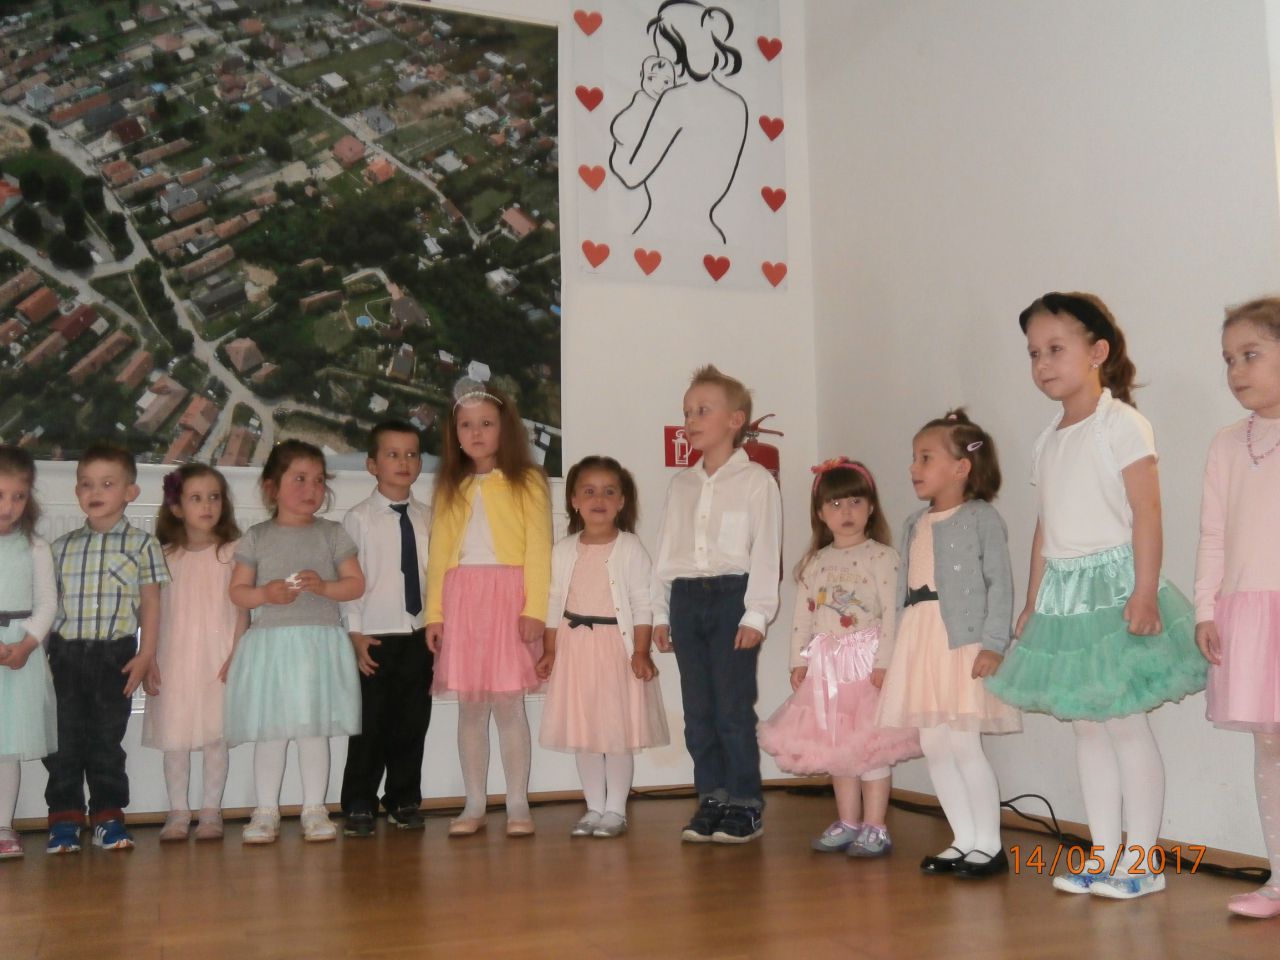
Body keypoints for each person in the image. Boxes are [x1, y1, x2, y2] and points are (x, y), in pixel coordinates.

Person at [989, 293, 1205, 899]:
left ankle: (1143, 860)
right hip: (1065, 596)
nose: (1042, 363)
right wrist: (1033, 600)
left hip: (1114, 588)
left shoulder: (1122, 424)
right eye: (1033, 353)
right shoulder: (1048, 440)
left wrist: (1144, 591)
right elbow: (1045, 527)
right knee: (1087, 726)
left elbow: (1147, 511)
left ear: (1097, 351)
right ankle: (1105, 852)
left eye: (1055, 349)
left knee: (1126, 723)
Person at [876, 411, 1021, 878]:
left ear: (961, 467)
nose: (913, 467)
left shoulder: (981, 518)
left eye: (925, 457)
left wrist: (994, 644)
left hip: (960, 641)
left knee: (963, 743)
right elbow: (901, 594)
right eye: (913, 458)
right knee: (934, 744)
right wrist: (889, 654)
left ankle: (989, 845)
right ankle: (963, 838)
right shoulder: (914, 522)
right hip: (920, 639)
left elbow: (1000, 584)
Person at [758, 457, 920, 857]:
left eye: (855, 502)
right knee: (838, 749)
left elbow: (892, 614)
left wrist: (885, 663)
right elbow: (804, 616)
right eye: (835, 504)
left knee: (871, 747)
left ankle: (875, 826)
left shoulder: (882, 557)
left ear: (871, 507)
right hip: (827, 667)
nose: (846, 512)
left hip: (866, 664)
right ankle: (848, 821)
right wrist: (799, 660)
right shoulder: (815, 562)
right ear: (820, 513)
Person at [652, 364, 782, 843]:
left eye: (703, 410)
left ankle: (745, 803)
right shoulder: (681, 485)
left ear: (735, 419)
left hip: (732, 599)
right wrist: (661, 611)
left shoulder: (755, 481)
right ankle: (712, 797)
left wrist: (757, 614)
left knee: (732, 709)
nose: (691, 419)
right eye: (687, 412)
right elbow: (667, 552)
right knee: (698, 712)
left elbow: (766, 551)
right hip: (686, 601)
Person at [425, 379, 552, 838]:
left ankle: (517, 802)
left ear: (505, 428)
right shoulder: (450, 485)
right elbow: (439, 553)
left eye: (486, 423)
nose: (476, 433)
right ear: (455, 433)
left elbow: (539, 548)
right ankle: (474, 802)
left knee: (508, 704)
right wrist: (434, 614)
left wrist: (535, 608)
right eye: (466, 425)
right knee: (471, 708)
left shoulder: (528, 481)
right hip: (462, 601)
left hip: (508, 600)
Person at [225, 440, 365, 844]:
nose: (311, 489)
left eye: (319, 480)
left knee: (312, 729)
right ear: (272, 487)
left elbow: (355, 584)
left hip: (318, 646)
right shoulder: (257, 536)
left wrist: (324, 587)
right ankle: (265, 810)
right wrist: (264, 594)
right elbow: (238, 592)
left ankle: (314, 808)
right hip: (272, 648)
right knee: (272, 731)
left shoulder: (331, 533)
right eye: (300, 479)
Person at [1195, 297, 1280, 919]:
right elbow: (1213, 533)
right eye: (1228, 359)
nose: (1236, 371)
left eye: (1250, 354)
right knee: (1269, 745)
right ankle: (1279, 878)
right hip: (1250, 614)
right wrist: (1206, 608)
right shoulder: (1228, 443)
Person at [44, 443, 169, 853]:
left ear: (130, 492)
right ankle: (64, 818)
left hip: (115, 656)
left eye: (107, 484)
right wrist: (39, 657)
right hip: (64, 655)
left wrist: (146, 654)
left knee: (105, 740)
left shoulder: (142, 545)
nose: (94, 492)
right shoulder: (60, 547)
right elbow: (49, 606)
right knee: (62, 740)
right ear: (77, 491)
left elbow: (151, 602)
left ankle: (107, 816)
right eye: (86, 484)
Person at [537, 456, 669, 838]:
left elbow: (642, 601)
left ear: (622, 501)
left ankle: (615, 810)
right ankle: (594, 806)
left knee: (616, 734)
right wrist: (549, 650)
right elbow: (553, 603)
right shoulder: (563, 549)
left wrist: (640, 652)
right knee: (585, 734)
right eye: (590, 491)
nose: (599, 499)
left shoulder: (630, 547)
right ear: (574, 500)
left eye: (609, 492)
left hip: (615, 650)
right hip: (575, 650)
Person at [339, 421, 433, 838]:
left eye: (412, 454)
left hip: (419, 633)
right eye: (392, 454)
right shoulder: (358, 519)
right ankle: (359, 801)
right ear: (372, 465)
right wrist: (355, 633)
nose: (403, 462)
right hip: (375, 635)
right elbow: (350, 581)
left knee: (412, 723)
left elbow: (436, 576)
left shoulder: (428, 518)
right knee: (370, 724)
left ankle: (403, 798)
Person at [143, 464, 246, 842]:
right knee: (176, 736)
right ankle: (177, 811)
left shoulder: (233, 552)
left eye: (214, 497)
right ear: (176, 507)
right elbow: (150, 610)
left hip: (218, 657)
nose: (207, 505)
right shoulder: (163, 555)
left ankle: (210, 811)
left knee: (216, 735)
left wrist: (238, 653)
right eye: (196, 498)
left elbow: (243, 610)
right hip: (175, 657)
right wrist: (149, 657)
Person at [0, 447, 57, 860]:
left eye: (18, 496)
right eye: (0, 495)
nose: (9, 506)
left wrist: (26, 645)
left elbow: (48, 604)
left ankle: (3, 825)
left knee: (7, 748)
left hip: (19, 657)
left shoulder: (35, 547)